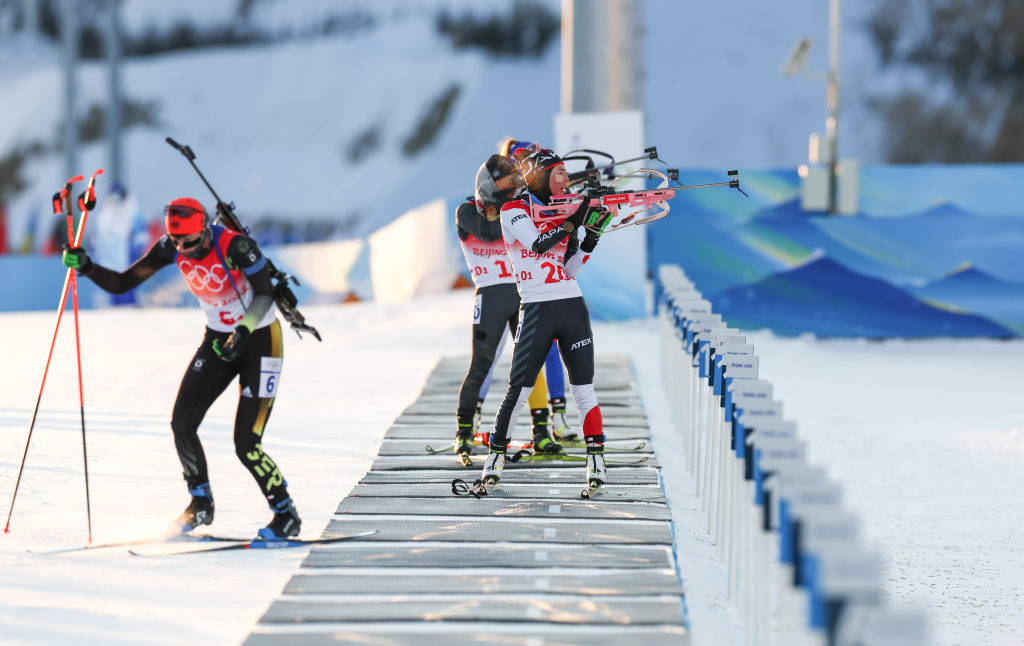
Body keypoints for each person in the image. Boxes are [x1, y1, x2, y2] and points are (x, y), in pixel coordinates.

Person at [61, 197, 301, 540]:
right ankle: (200, 503)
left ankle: (286, 512)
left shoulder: (236, 246)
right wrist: (86, 266)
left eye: (189, 242)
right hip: (219, 340)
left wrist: (243, 330)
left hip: (260, 339)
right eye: (176, 243)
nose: (183, 250)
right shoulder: (169, 247)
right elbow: (122, 283)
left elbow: (263, 293)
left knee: (246, 442)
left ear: (205, 229)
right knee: (182, 423)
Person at [479, 146, 610, 489]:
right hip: (536, 309)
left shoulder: (561, 212)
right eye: (559, 174)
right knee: (518, 392)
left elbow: (569, 268)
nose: (567, 180)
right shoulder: (514, 209)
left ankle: (596, 462)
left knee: (583, 390)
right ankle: (495, 459)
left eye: (566, 173)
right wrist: (577, 216)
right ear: (539, 176)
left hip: (572, 307)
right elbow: (537, 245)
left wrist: (590, 239)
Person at [455, 154, 565, 464]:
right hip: (490, 295)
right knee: (482, 364)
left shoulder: (518, 206)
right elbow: (490, 232)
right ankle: (464, 430)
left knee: (533, 364)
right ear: (490, 183)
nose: (514, 180)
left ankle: (542, 432)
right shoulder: (467, 211)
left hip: (522, 294)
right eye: (507, 176)